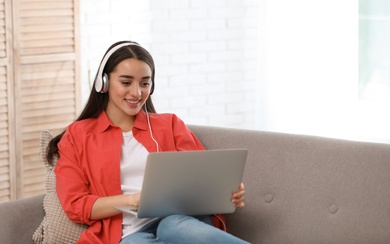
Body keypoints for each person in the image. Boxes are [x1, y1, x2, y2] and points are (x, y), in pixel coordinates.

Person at [47, 41, 248, 244]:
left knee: (170, 226)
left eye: (145, 83)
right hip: (129, 234)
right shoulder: (78, 136)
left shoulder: (169, 124)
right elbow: (76, 205)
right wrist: (132, 200)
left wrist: (227, 192)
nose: (137, 93)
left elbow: (205, 177)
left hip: (181, 223)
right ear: (104, 83)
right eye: (126, 83)